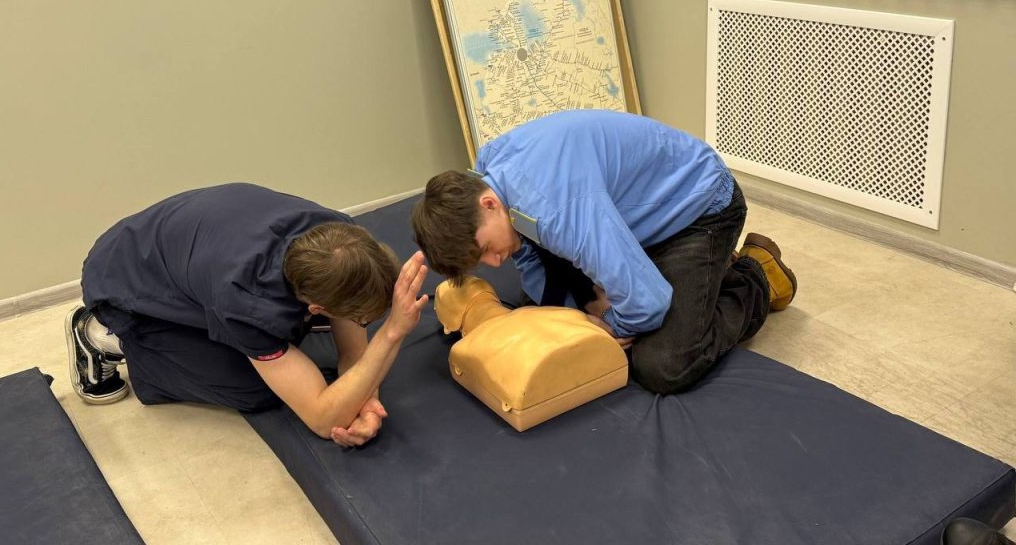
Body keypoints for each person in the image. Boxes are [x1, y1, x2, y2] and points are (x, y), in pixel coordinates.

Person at [410, 109, 796, 395]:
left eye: (486, 250)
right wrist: (577, 315)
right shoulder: (485, 175)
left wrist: (609, 326)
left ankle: (754, 273)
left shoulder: (556, 209)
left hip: (700, 210)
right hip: (630, 212)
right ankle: (702, 274)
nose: (495, 262)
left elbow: (648, 305)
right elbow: (531, 260)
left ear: (489, 204)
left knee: (662, 365)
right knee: (543, 310)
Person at [68, 182, 428, 446]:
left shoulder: (342, 236)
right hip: (121, 283)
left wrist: (367, 402)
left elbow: (353, 354)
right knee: (253, 387)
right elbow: (322, 419)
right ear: (317, 308)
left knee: (292, 346)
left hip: (188, 250)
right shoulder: (248, 299)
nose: (366, 324)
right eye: (363, 319)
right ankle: (101, 335)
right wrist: (392, 333)